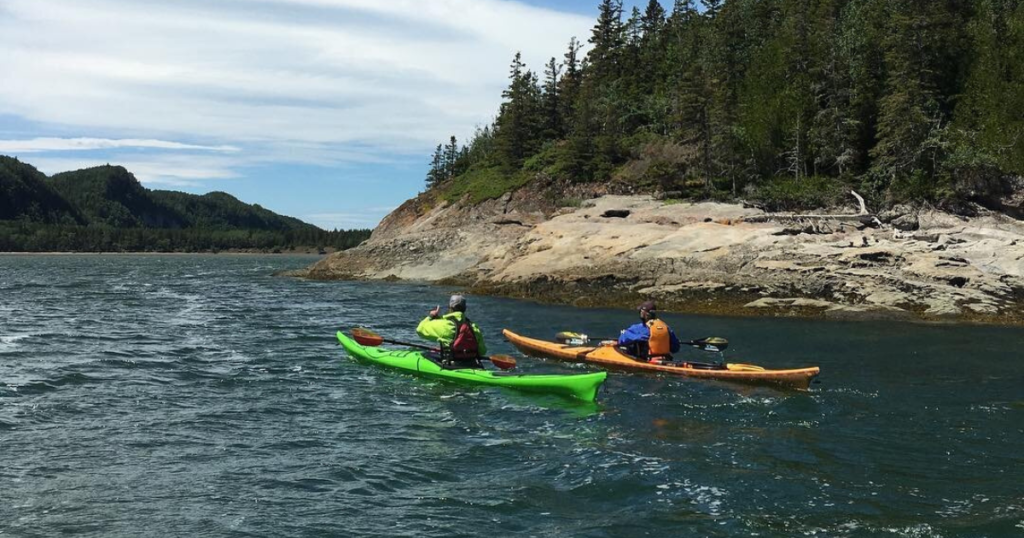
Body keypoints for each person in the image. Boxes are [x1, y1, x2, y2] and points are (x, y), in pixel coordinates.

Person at [416, 294, 487, 368]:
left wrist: (431, 316)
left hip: (453, 364)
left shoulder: (445, 325)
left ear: (450, 308)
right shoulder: (474, 326)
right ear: (465, 308)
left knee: (425, 354)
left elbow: (419, 329)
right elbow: (482, 351)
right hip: (472, 363)